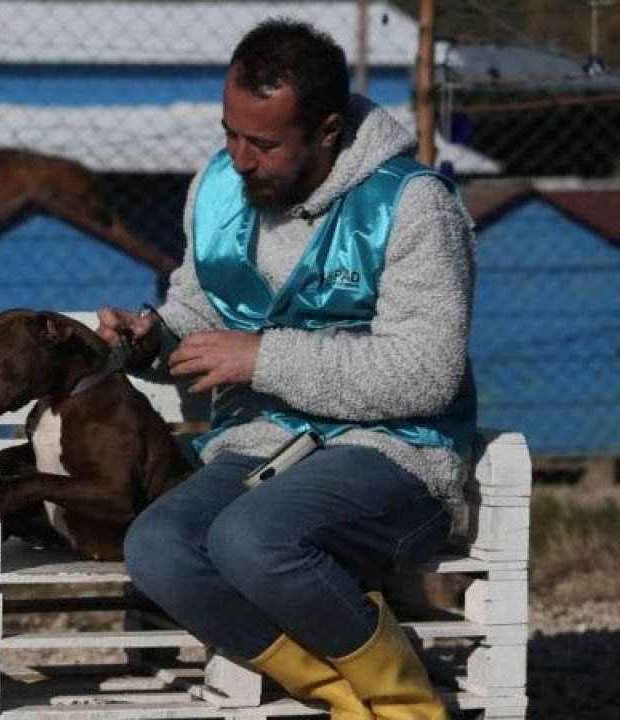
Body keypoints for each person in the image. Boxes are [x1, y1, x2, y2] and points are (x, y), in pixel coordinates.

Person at [97, 19, 475, 720]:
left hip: (393, 455)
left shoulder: (413, 204)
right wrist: (155, 339)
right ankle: (341, 701)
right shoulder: (217, 187)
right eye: (230, 133)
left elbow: (427, 374)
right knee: (158, 547)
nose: (238, 158)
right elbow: (198, 307)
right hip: (262, 447)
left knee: (253, 537)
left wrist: (263, 357)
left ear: (328, 130)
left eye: (263, 143)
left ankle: (410, 708)